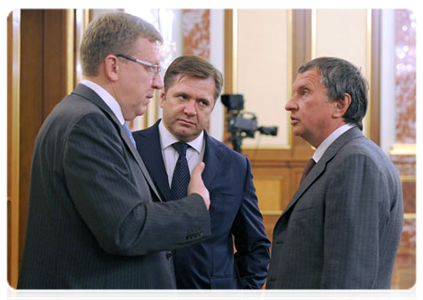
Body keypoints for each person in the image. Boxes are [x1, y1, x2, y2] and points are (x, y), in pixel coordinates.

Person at [16, 12, 212, 300]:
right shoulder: (88, 122)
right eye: (151, 69)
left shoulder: (89, 115)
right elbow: (126, 228)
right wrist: (196, 205)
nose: (158, 83)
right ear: (113, 66)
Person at [133, 55, 271, 300]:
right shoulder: (130, 150)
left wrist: (247, 296)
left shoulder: (235, 165)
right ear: (163, 97)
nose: (190, 110)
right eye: (182, 97)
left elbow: (255, 246)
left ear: (211, 108)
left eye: (202, 103)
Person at [264, 57, 404, 300]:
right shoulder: (342, 157)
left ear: (340, 105)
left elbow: (349, 280)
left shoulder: (355, 162)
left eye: (304, 92)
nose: (289, 104)